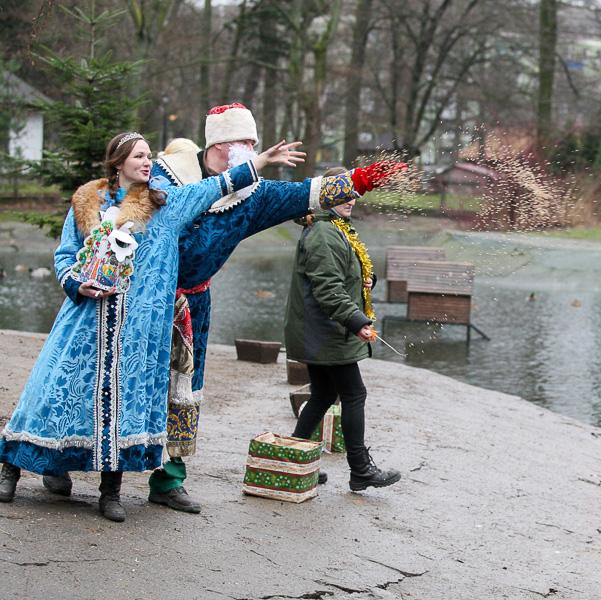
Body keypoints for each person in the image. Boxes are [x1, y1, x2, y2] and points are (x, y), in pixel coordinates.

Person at [0, 131, 302, 521]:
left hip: (137, 329)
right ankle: (10, 468)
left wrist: (260, 162)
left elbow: (218, 185)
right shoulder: (87, 201)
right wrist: (76, 283)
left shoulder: (167, 204)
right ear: (118, 162)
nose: (148, 162)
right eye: (139, 156)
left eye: (148, 155)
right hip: (83, 321)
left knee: (122, 406)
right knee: (53, 391)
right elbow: (65, 255)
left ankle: (111, 492)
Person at [138, 103, 405, 513]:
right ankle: (80, 460)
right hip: (147, 295)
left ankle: (169, 480)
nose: (253, 148)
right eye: (245, 142)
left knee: (185, 391)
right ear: (221, 145)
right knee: (126, 380)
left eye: (254, 143)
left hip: (196, 301)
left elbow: (309, 193)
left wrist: (367, 178)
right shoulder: (167, 175)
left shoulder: (253, 196)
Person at [285, 171, 401, 491]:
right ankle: (361, 469)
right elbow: (326, 291)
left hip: (326, 329)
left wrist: (368, 281)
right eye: (342, 194)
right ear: (324, 197)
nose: (350, 199)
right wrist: (358, 321)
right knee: (354, 393)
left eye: (353, 194)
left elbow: (342, 275)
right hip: (326, 331)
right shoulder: (323, 232)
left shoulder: (337, 229)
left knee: (323, 394)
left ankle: (295, 459)